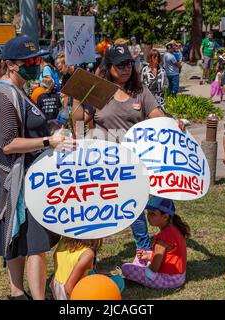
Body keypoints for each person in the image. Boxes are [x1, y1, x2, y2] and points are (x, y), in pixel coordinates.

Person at [75, 44, 185, 261]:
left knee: (135, 205)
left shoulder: (139, 92)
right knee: (98, 209)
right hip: (103, 162)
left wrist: (174, 123)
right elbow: (80, 119)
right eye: (120, 65)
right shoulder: (99, 92)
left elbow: (157, 115)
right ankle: (89, 254)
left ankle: (143, 249)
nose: (125, 69)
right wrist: (78, 94)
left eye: (128, 64)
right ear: (109, 67)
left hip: (134, 162)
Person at [0, 36, 73, 300]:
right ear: (11, 65)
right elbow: (8, 144)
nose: (36, 65)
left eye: (38, 59)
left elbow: (29, 127)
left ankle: (17, 293)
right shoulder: (3, 96)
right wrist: (48, 141)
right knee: (36, 244)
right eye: (29, 61)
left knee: (21, 242)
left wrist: (52, 129)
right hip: (21, 182)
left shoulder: (20, 90)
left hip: (31, 178)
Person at [121, 196, 189, 289]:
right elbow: (167, 256)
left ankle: (137, 276)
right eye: (148, 213)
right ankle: (139, 266)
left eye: (153, 214)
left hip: (168, 280)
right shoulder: (175, 229)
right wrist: (148, 256)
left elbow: (154, 269)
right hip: (179, 276)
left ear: (165, 217)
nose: (148, 216)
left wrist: (145, 269)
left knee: (126, 268)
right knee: (141, 255)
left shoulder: (162, 239)